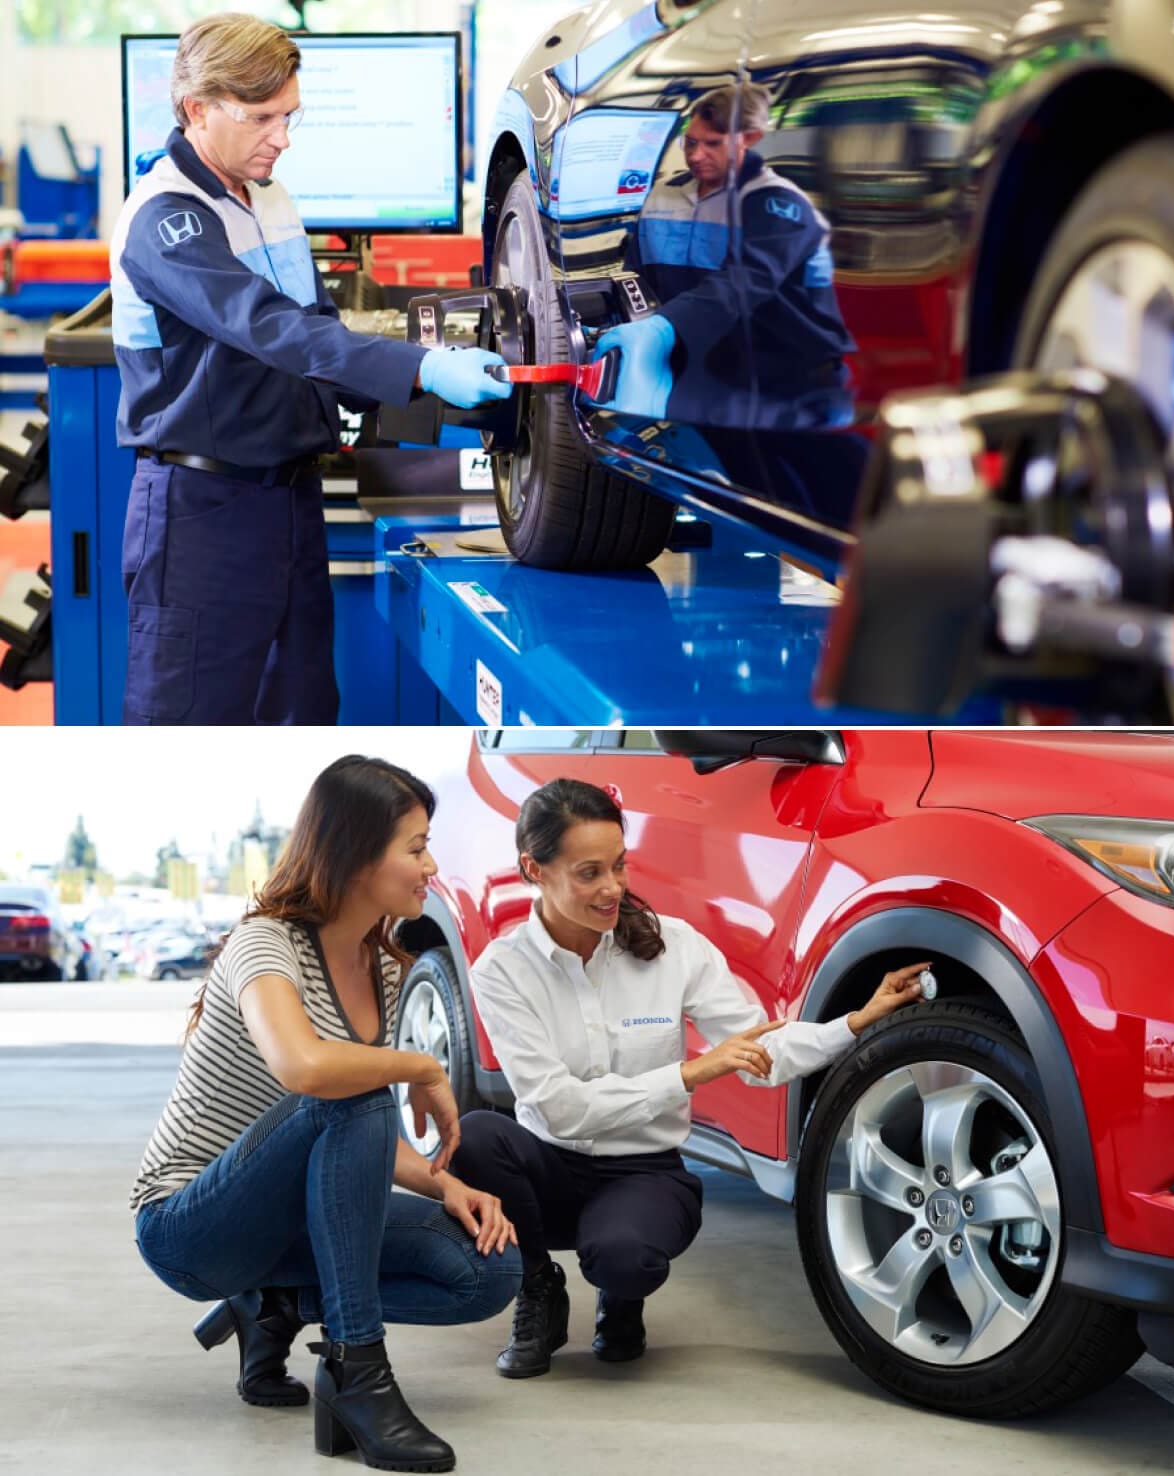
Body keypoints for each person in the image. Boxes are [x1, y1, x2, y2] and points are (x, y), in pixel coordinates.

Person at [452, 777, 930, 1378]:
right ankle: (538, 1287)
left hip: (643, 1170)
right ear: (534, 869)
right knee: (474, 1137)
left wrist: (857, 1021)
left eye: (619, 867)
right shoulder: (501, 970)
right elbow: (558, 1110)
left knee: (625, 1257)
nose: (613, 889)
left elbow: (761, 1052)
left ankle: (621, 1298)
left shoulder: (674, 948)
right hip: (549, 1167)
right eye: (589, 873)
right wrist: (686, 1073)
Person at [110, 13, 512, 725]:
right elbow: (271, 330)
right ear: (198, 108)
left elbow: (319, 329)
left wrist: (460, 399)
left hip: (290, 504)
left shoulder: (270, 198)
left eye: (290, 116)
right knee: (192, 725)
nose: (283, 138)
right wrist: (422, 366)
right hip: (204, 513)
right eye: (263, 117)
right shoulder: (166, 219)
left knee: (301, 714)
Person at [130, 756, 522, 1473]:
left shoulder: (388, 969)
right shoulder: (264, 945)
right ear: (353, 853)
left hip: (284, 1221)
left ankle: (273, 1303)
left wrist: (446, 1186)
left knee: (487, 1269)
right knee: (358, 1082)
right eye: (415, 847)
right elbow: (307, 1071)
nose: (431, 864)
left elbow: (351, 1134)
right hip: (190, 1225)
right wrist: (423, 1065)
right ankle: (357, 1373)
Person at [589, 82, 855, 428]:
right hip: (698, 374)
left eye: (712, 144)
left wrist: (663, 329)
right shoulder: (662, 196)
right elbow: (636, 278)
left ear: (750, 138)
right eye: (691, 142)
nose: (696, 155)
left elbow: (744, 284)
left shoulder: (778, 205)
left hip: (788, 389)